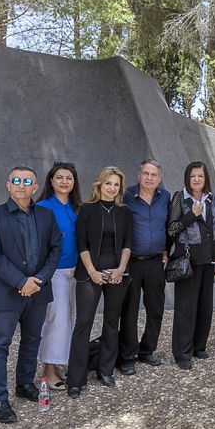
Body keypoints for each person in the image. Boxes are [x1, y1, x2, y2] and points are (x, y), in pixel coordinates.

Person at [0, 166, 62, 423]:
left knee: (32, 340)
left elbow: (55, 249)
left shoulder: (46, 215)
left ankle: (24, 384)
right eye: (16, 180)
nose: (21, 185)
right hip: (7, 292)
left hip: (38, 290)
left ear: (35, 187)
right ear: (8, 184)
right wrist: (20, 282)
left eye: (27, 182)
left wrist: (39, 280)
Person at [68, 166, 133, 396]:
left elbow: (128, 243)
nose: (112, 188)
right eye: (108, 183)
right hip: (89, 273)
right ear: (99, 184)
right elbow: (81, 243)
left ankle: (105, 370)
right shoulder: (86, 209)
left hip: (117, 274)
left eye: (116, 184)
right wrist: (92, 271)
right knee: (83, 322)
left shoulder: (124, 212)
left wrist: (120, 270)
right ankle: (75, 379)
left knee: (111, 322)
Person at [167, 161, 215, 369]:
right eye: (193, 176)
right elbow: (172, 229)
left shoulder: (213, 199)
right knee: (186, 307)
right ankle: (182, 354)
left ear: (205, 178)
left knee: (204, 306)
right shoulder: (179, 197)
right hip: (187, 258)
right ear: (187, 179)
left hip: (208, 258)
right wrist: (192, 215)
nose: (197, 179)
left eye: (200, 176)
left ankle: (198, 346)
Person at [119, 160, 171, 373]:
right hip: (131, 261)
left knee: (156, 308)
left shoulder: (165, 197)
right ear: (139, 174)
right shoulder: (125, 196)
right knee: (129, 310)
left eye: (154, 174)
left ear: (159, 178)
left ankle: (147, 350)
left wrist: (166, 250)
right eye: (146, 173)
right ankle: (127, 355)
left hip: (156, 262)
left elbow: (169, 226)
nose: (149, 178)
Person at [35, 162, 81, 388]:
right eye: (60, 177)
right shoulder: (42, 207)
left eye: (69, 178)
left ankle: (59, 363)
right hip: (54, 272)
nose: (64, 182)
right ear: (51, 181)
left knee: (71, 318)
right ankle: (48, 369)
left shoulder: (77, 208)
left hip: (77, 270)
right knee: (57, 320)